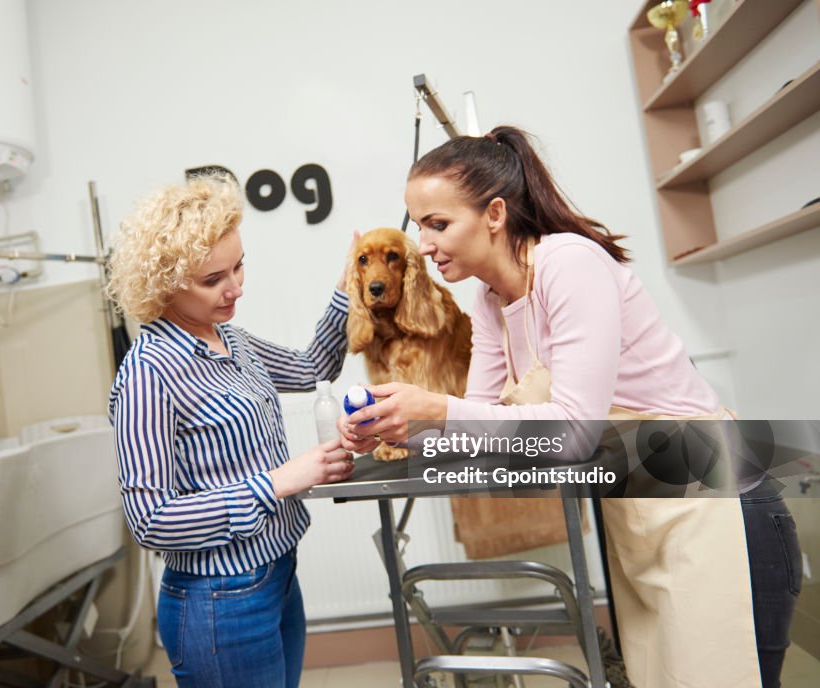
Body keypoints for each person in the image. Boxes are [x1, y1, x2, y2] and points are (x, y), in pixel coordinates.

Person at [339, 127, 799, 688]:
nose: (425, 246)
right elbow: (479, 429)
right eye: (421, 227)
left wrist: (436, 409)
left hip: (717, 505)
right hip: (642, 519)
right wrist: (395, 428)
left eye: (439, 224)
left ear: (495, 214)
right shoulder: (490, 298)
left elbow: (573, 435)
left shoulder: (569, 264)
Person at [106, 173, 354, 688]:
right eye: (212, 278)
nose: (236, 287)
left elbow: (313, 369)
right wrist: (277, 482)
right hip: (221, 599)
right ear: (166, 281)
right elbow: (149, 520)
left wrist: (345, 290)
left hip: (278, 574)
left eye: (239, 266)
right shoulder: (149, 372)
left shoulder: (233, 342)